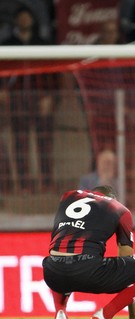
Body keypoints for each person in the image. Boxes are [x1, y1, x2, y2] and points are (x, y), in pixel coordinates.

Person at [42, 185, 135, 319]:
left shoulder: (68, 196)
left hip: (51, 272)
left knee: (64, 255)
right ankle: (105, 316)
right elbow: (127, 261)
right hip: (88, 270)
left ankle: (60, 314)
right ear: (112, 199)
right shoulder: (120, 210)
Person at [1, 6, 55, 192]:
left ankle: (46, 182)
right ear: (16, 21)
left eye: (27, 17)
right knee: (20, 144)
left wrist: (49, 97)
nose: (24, 21)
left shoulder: (43, 44)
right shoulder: (7, 44)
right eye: (21, 17)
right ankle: (25, 184)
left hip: (40, 100)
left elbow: (53, 76)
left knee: (44, 143)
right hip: (17, 102)